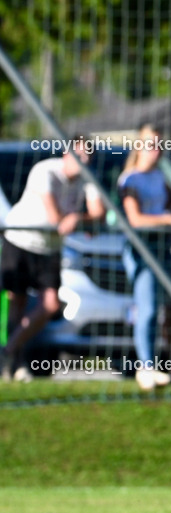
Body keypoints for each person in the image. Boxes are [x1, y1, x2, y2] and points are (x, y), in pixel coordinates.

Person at [0, 134, 104, 382]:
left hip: (50, 249)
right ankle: (16, 364)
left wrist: (78, 219)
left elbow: (98, 212)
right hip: (20, 241)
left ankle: (7, 352)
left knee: (50, 305)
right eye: (80, 155)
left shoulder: (86, 180)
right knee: (18, 303)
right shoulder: (44, 170)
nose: (84, 160)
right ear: (66, 154)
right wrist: (77, 218)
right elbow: (56, 217)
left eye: (89, 156)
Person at [119, 124, 171, 390]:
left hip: (164, 247)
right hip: (142, 250)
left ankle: (169, 366)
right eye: (151, 144)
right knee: (148, 309)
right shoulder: (130, 180)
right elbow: (136, 219)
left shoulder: (161, 178)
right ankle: (145, 368)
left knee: (167, 310)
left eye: (160, 145)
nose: (157, 150)